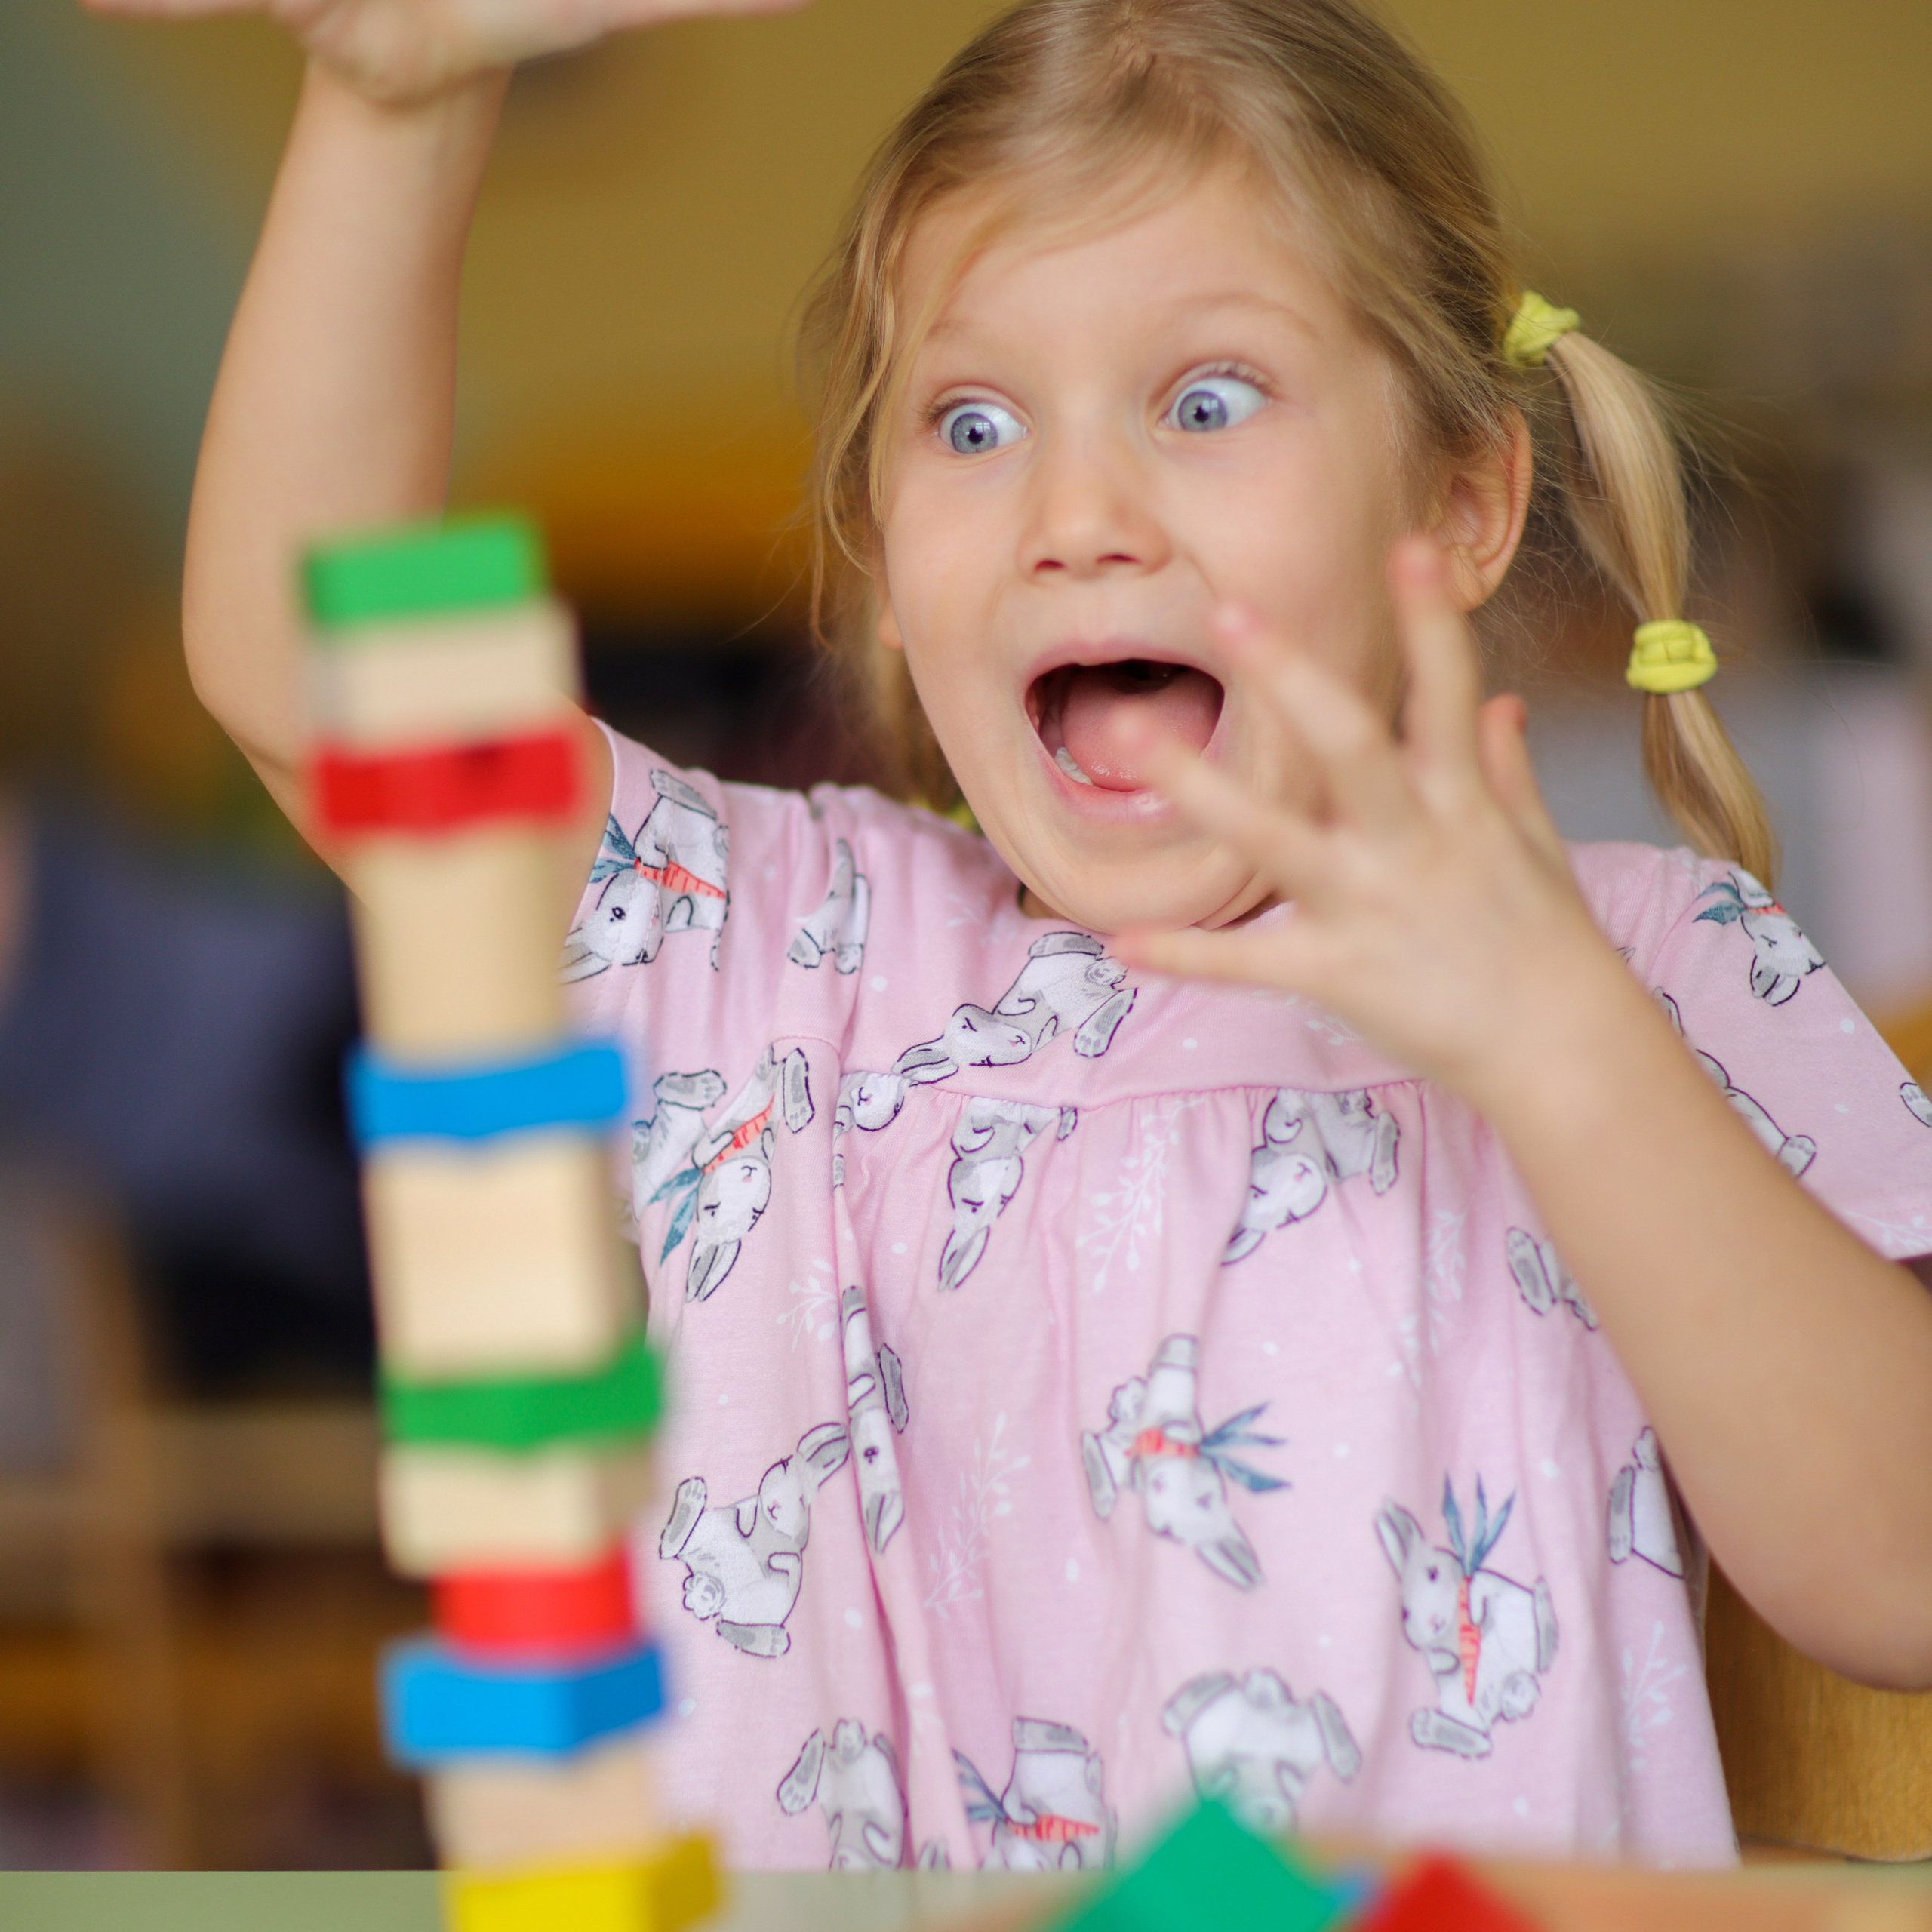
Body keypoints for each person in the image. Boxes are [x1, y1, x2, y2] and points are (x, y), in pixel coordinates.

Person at [86, 0, 1932, 1869]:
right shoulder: (782, 957)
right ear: (884, 563)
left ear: (1457, 504)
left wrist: (1552, 1040)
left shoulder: (1632, 963)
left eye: (1204, 400)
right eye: (972, 422)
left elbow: (1900, 1571)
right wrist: (396, 99)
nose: (1074, 514)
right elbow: (320, 679)